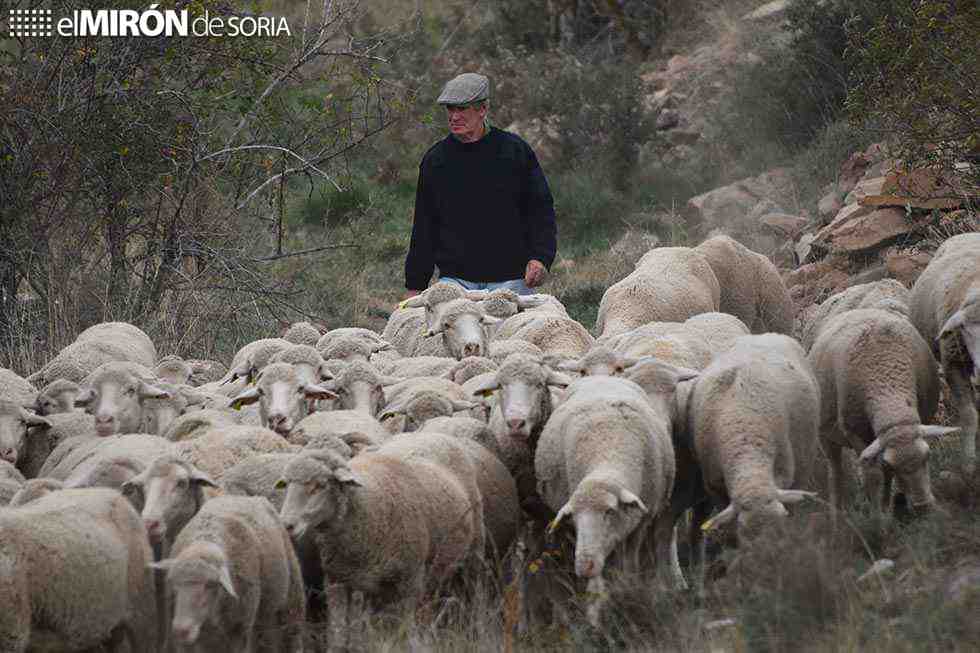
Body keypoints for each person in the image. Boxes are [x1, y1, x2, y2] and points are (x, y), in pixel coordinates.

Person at [403, 72, 557, 299]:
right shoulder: (436, 161)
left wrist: (541, 257)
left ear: (482, 109)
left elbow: (540, 209)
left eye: (462, 109)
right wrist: (415, 286)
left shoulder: (515, 152)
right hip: (455, 282)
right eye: (450, 109)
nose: (454, 116)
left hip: (511, 281)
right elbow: (424, 226)